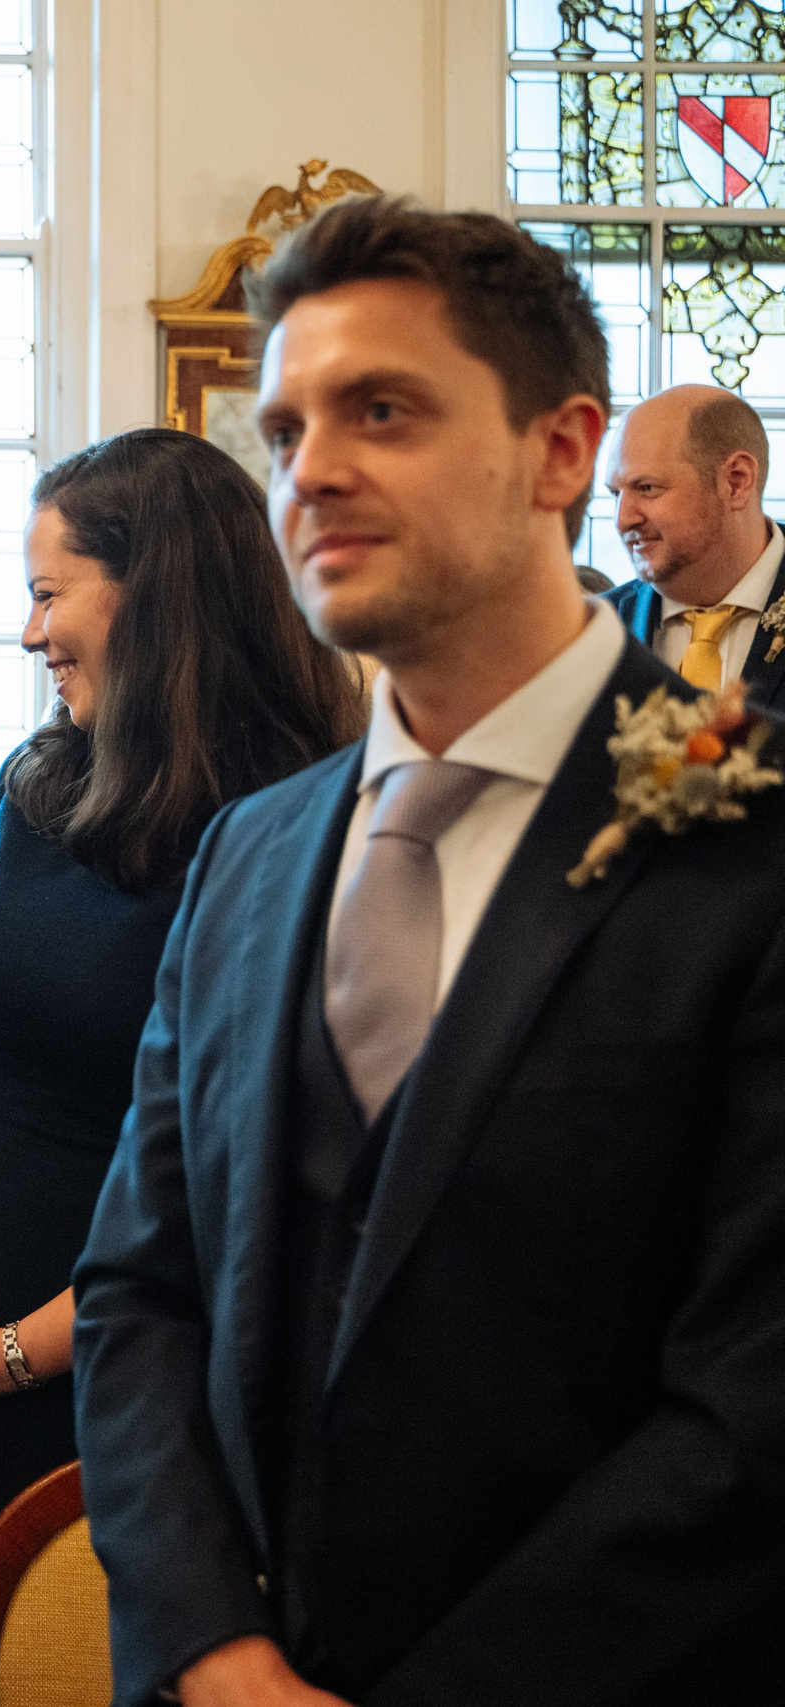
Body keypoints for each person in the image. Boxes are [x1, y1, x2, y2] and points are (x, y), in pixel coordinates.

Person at [73, 196, 785, 1707]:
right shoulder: (250, 854)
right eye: (284, 430)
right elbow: (142, 1288)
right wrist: (212, 1645)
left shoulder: (753, 829)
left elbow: (754, 1401)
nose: (312, 469)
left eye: (380, 410)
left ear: (561, 449)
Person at [0, 429, 364, 1705]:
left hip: (109, 1358)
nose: (31, 633)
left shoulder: (292, 823)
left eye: (49, 593)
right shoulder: (36, 778)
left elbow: (234, 1174)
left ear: (152, 590)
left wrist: (22, 1352)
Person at [602, 383, 785, 709]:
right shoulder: (599, 632)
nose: (622, 520)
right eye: (615, 494)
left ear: (736, 481)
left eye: (646, 488)